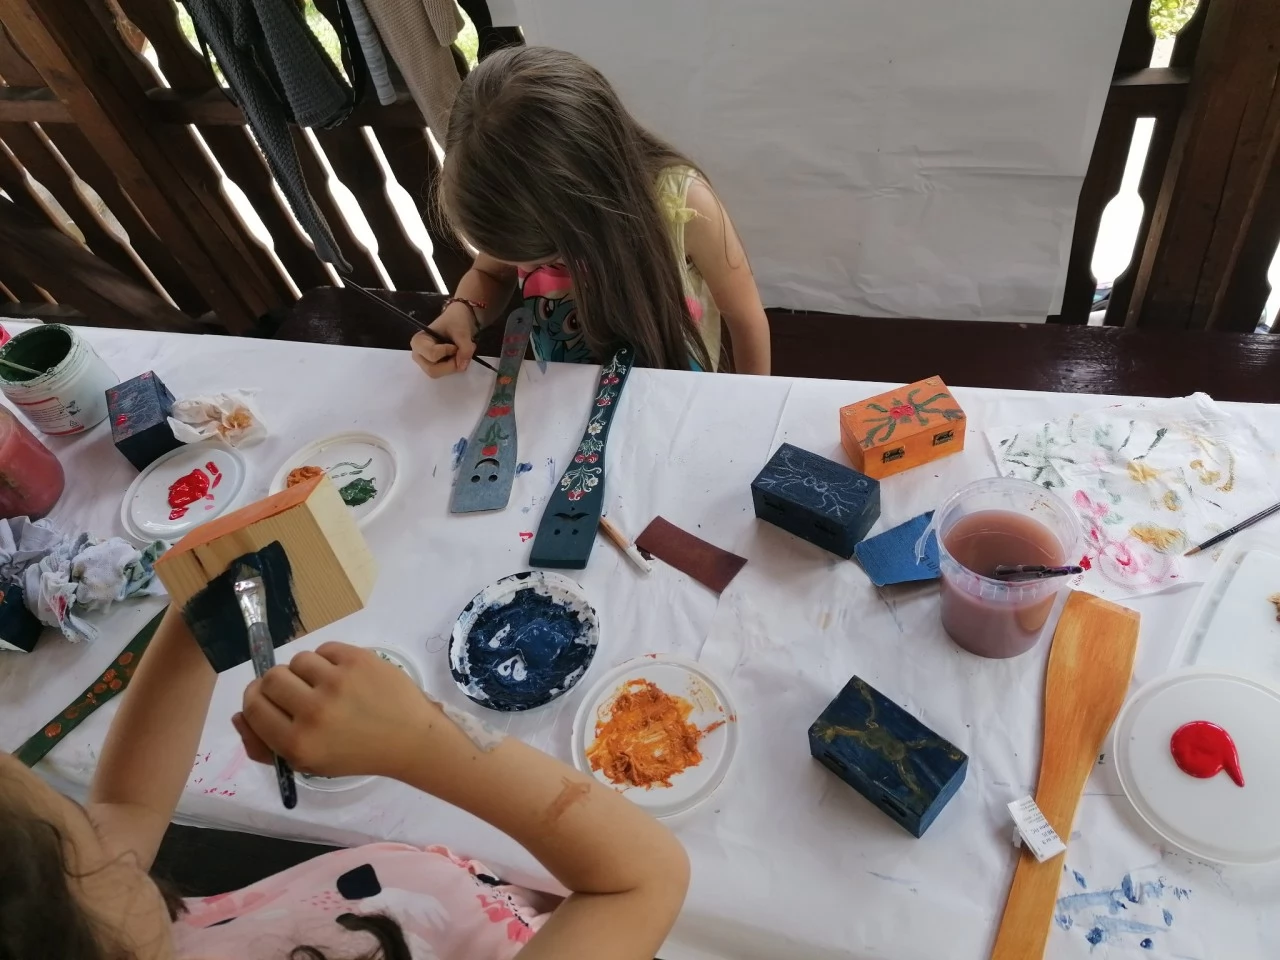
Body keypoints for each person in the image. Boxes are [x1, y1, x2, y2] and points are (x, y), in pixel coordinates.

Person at [0, 607, 690, 959]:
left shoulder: (104, 917)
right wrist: (423, 738)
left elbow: (123, 803)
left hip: (485, 891)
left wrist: (196, 628)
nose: (105, 834)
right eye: (78, 829)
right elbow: (639, 882)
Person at [412, 46, 771, 377]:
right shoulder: (513, 202)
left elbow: (745, 318)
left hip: (671, 396)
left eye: (546, 259)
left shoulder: (686, 205)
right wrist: (463, 311)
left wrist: (753, 406)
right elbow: (489, 273)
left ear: (588, 205)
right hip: (564, 395)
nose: (529, 267)